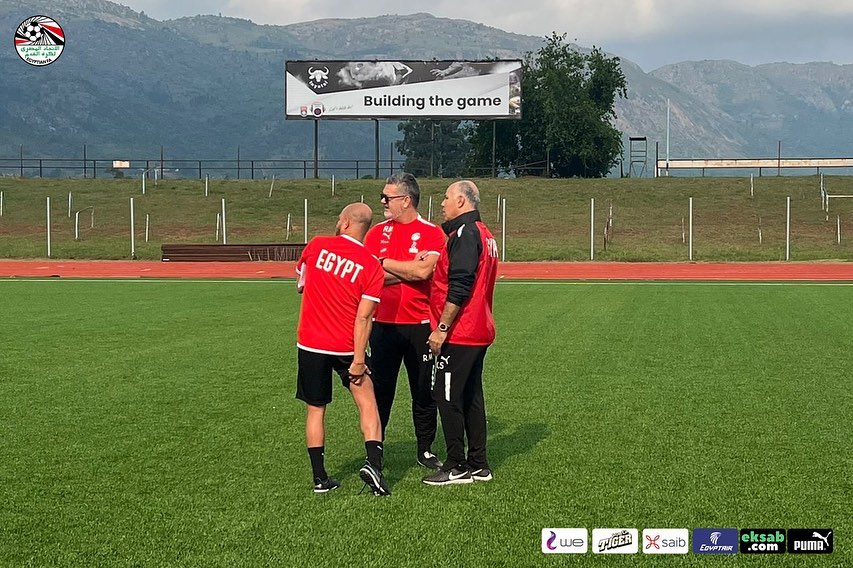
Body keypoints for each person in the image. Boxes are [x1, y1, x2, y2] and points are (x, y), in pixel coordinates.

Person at [294, 202, 391, 496]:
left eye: (339, 219)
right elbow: (364, 317)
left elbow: (301, 284)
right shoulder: (372, 266)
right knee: (368, 403)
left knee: (316, 409)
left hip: (310, 342)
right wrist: (359, 359)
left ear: (346, 222)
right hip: (347, 345)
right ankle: (374, 466)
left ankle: (319, 478)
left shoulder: (316, 245)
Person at [364, 173, 447, 470]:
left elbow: (424, 272)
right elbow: (369, 277)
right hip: (383, 324)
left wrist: (385, 264)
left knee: (423, 391)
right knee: (380, 391)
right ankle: (375, 451)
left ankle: (424, 449)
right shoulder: (376, 233)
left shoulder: (432, 232)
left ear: (406, 200)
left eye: (387, 197)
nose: (382, 202)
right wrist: (409, 269)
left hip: (420, 325)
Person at [422, 180, 499, 486]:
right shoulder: (484, 233)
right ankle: (479, 464)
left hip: (462, 331)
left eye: (446, 197)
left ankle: (456, 465)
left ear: (462, 201)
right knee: (471, 395)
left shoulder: (466, 234)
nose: (442, 203)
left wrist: (441, 328)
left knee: (446, 395)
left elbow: (460, 285)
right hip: (478, 327)